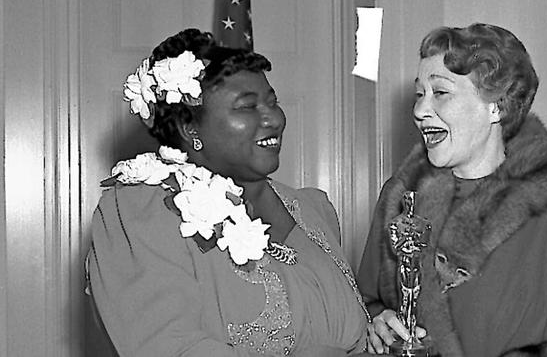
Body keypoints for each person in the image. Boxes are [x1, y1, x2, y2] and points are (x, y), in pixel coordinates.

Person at [86, 28, 370, 357]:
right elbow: (169, 347)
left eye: (272, 102)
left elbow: (345, 333)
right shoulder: (140, 212)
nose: (274, 118)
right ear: (190, 129)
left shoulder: (313, 208)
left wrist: (377, 333)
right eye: (247, 107)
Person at [357, 23, 547, 356]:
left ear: (497, 106)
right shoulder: (402, 201)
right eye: (420, 94)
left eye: (440, 93)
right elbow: (366, 303)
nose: (419, 111)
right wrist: (377, 323)